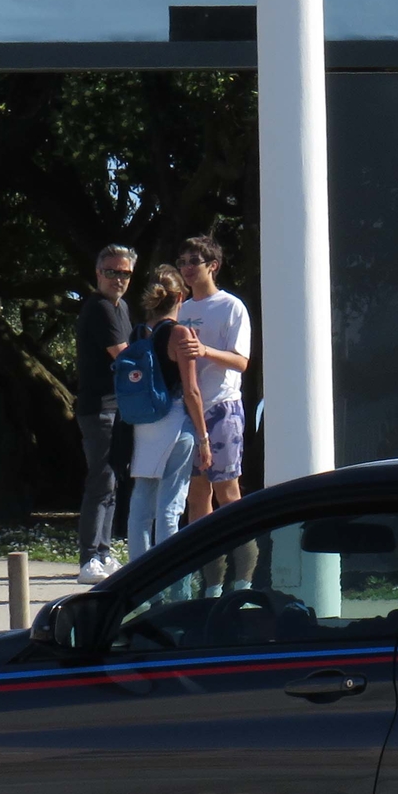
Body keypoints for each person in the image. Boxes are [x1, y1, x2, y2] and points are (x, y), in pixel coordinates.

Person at [125, 265, 210, 562]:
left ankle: (137, 577)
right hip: (175, 422)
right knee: (170, 508)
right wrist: (203, 437)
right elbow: (191, 392)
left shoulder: (137, 333)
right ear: (178, 296)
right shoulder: (179, 334)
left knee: (141, 504)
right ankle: (171, 580)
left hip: (144, 424)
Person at [168, 235, 251, 531]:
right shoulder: (183, 309)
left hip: (222, 408)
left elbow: (241, 362)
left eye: (195, 262)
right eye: (183, 262)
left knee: (228, 492)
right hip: (189, 411)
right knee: (197, 494)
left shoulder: (231, 307)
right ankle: (205, 567)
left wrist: (205, 351)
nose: (187, 268)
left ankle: (241, 568)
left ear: (213, 266)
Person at [74, 244, 137, 581]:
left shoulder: (121, 307)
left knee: (112, 482)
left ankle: (103, 551)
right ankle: (88, 559)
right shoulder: (99, 307)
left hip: (118, 407)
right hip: (98, 407)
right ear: (99, 273)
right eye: (112, 272)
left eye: (125, 273)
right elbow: (124, 356)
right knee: (100, 482)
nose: (118, 279)